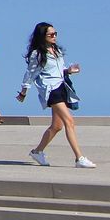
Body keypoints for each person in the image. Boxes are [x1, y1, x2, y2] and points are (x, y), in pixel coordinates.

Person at [17, 21, 93, 168]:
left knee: (57, 126)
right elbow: (30, 74)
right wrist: (23, 92)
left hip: (61, 86)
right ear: (42, 36)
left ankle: (37, 152)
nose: (54, 36)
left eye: (55, 34)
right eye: (51, 34)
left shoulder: (56, 50)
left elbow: (59, 69)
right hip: (51, 90)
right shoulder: (37, 54)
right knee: (69, 121)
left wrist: (68, 71)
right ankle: (79, 158)